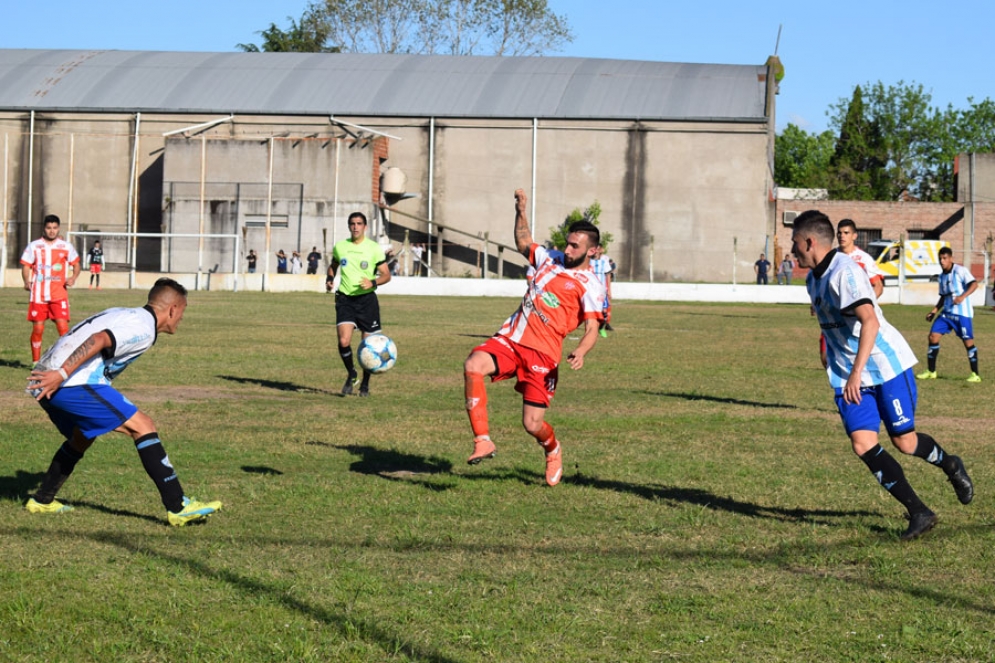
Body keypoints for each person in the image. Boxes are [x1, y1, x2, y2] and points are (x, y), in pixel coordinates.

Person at [791, 210, 973, 541]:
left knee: (905, 442)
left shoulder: (844, 274)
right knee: (863, 444)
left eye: (794, 244)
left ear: (809, 241)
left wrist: (857, 372)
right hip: (849, 374)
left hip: (884, 365)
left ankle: (950, 464)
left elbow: (870, 321)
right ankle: (920, 512)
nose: (792, 251)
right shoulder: (812, 279)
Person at [23, 278, 223, 526]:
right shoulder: (143, 328)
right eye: (182, 311)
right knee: (143, 426)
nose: (181, 318)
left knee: (82, 436)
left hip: (45, 378)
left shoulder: (127, 313)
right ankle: (178, 505)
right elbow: (98, 339)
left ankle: (42, 499)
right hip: (66, 381)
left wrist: (53, 372)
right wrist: (61, 374)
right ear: (173, 309)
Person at [463, 189, 606, 487]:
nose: (566, 250)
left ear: (592, 251)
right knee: (473, 365)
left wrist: (581, 351)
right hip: (512, 339)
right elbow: (523, 241)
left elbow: (592, 328)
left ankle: (553, 449)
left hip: (543, 354)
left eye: (574, 246)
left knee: (532, 424)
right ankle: (483, 440)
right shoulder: (549, 259)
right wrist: (521, 211)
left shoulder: (591, 285)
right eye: (567, 243)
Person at [328, 212, 392, 397]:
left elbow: (386, 275)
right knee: (344, 341)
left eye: (359, 223)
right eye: (352, 224)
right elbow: (333, 265)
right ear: (349, 226)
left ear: (365, 226)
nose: (355, 227)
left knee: (368, 345)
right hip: (345, 299)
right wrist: (330, 278)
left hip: (367, 301)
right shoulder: (341, 247)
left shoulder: (373, 249)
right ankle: (352, 373)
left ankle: (365, 384)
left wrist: (372, 283)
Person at [819, 218, 888, 367]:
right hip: (834, 316)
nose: (842, 236)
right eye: (839, 233)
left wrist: (859, 306)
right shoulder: (831, 258)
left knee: (859, 358)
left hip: (856, 319)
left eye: (846, 233)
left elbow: (878, 286)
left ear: (854, 236)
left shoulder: (864, 259)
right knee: (825, 357)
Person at [21, 214, 81, 363]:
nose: (52, 231)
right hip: (38, 295)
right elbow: (26, 266)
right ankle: (35, 362)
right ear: (44, 228)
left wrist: (73, 278)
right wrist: (26, 281)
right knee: (38, 329)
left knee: (63, 328)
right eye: (49, 228)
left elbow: (76, 265)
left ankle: (66, 361)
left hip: (58, 294)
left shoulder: (65, 246)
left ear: (58, 228)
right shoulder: (34, 246)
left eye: (54, 228)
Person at [917, 246, 980, 382]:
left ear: (951, 258)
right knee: (933, 336)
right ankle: (931, 371)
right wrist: (934, 311)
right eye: (940, 258)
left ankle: (975, 374)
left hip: (962, 314)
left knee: (968, 342)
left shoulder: (960, 271)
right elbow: (943, 296)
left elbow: (974, 284)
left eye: (945, 258)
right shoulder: (941, 276)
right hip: (946, 313)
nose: (942, 261)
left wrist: (962, 297)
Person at [590, 244, 615, 337]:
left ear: (601, 250)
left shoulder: (604, 262)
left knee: (604, 312)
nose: (595, 251)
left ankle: (601, 328)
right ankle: (590, 330)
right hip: (591, 290)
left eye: (597, 249)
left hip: (601, 291)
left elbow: (608, 276)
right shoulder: (587, 261)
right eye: (594, 249)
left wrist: (609, 290)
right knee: (589, 312)